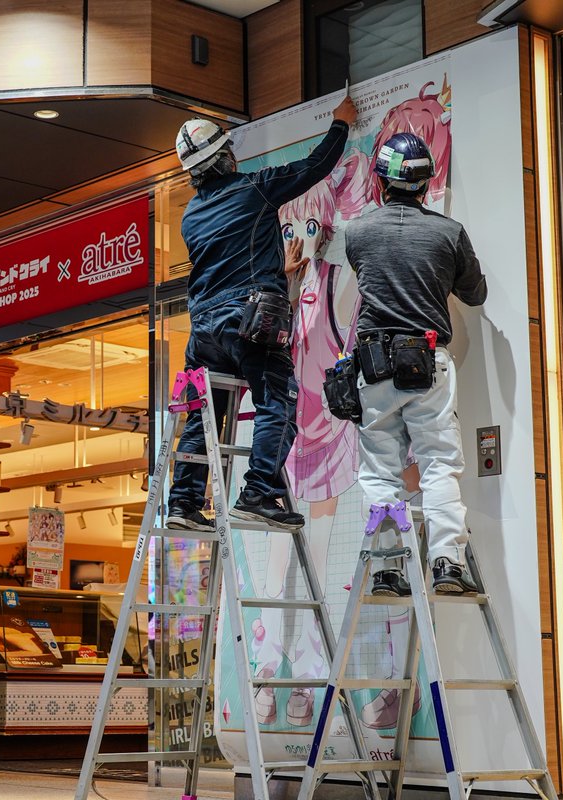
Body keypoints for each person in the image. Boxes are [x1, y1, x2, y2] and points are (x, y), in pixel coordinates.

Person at [166, 95, 358, 533]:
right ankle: (258, 493)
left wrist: (276, 269)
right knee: (277, 400)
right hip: (249, 320)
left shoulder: (191, 215)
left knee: (204, 415)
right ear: (226, 157)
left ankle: (183, 503)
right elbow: (313, 167)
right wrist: (340, 124)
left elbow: (227, 257)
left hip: (204, 330)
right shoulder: (254, 187)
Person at [344, 132, 487, 595]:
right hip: (427, 362)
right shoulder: (449, 232)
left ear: (381, 180)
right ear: (427, 183)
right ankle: (447, 562)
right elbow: (475, 293)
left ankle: (388, 571)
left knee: (381, 472)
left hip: (375, 365)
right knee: (439, 465)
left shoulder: (358, 232)